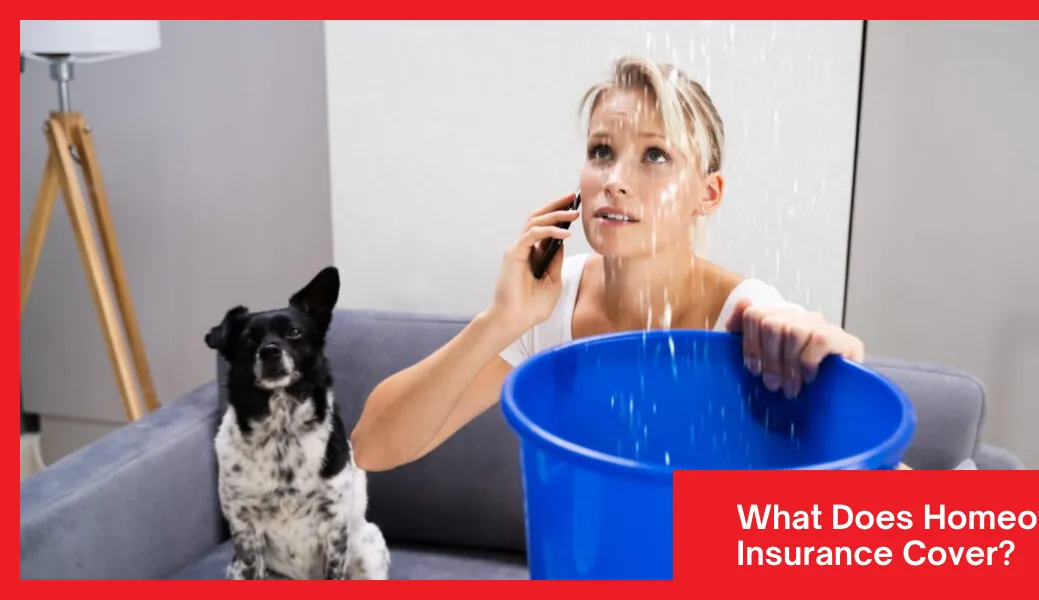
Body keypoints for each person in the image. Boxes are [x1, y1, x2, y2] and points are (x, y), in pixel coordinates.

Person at [351, 56, 877, 472]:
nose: (614, 179)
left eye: (655, 156)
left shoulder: (747, 319)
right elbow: (372, 448)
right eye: (602, 150)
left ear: (708, 193)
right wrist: (502, 320)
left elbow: (892, 509)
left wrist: (834, 375)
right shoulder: (552, 304)